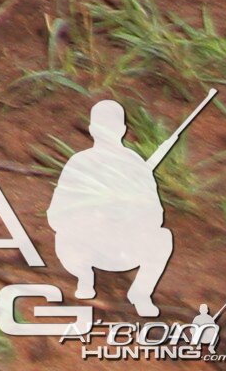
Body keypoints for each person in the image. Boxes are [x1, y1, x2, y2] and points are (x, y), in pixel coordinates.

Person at [46, 97, 174, 319]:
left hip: (121, 247)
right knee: (162, 238)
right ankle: (85, 278)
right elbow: (56, 216)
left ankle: (140, 293)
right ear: (123, 130)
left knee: (163, 237)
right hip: (89, 246)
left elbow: (155, 216)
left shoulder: (131, 165)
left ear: (92, 129)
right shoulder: (82, 163)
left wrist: (127, 212)